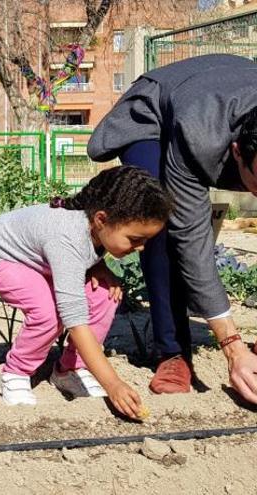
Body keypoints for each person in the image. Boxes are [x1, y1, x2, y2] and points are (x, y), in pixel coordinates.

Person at [88, 54, 257, 399]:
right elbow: (191, 236)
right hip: (154, 119)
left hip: (222, 97)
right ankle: (173, 351)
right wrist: (233, 347)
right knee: (159, 219)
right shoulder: (202, 134)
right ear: (237, 153)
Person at [0, 167, 172, 418]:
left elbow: (86, 249)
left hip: (41, 258)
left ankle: (69, 370)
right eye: (134, 239)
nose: (141, 248)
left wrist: (100, 266)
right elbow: (74, 319)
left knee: (105, 295)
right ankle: (16, 371)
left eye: (146, 240)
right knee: (47, 312)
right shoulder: (67, 239)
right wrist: (113, 384)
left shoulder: (93, 227)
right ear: (101, 219)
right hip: (1, 256)